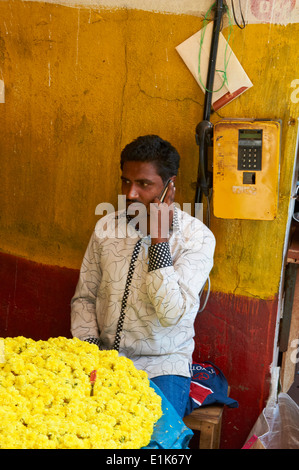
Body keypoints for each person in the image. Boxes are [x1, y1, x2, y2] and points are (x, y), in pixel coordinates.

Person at [71, 135, 216, 418]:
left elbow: (171, 313)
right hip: (103, 358)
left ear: (169, 186)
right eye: (126, 181)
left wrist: (159, 241)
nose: (131, 194)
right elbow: (84, 297)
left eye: (144, 184)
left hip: (162, 366)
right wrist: (89, 351)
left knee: (155, 441)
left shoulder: (196, 238)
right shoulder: (106, 227)